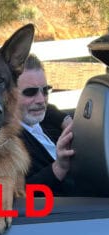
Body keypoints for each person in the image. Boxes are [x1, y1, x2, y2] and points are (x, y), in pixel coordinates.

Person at [18, 54, 74, 196]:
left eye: (45, 90)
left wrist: (67, 120)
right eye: (30, 92)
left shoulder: (45, 120)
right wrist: (59, 168)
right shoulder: (4, 144)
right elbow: (18, 196)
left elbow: (49, 109)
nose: (41, 100)